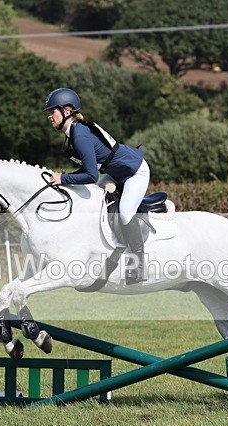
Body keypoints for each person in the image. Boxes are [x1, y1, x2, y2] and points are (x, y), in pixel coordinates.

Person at [43, 87, 150, 284]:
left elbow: (91, 175)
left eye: (52, 112)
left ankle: (138, 265)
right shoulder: (74, 133)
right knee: (94, 199)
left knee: (125, 212)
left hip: (134, 171)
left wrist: (63, 179)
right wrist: (66, 178)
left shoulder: (80, 135)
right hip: (116, 173)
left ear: (67, 112)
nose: (50, 116)